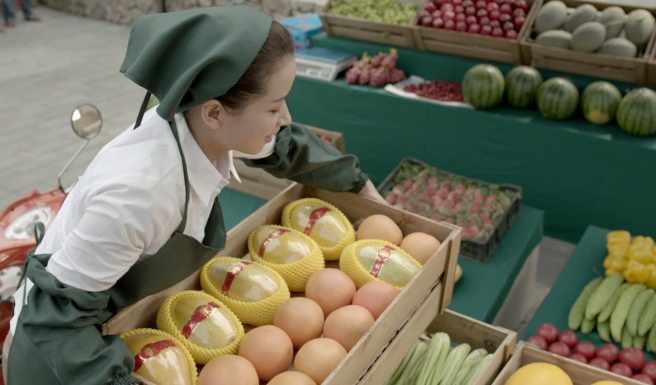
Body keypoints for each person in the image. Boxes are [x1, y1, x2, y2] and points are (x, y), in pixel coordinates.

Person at [3, 5, 384, 385]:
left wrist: (357, 183)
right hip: (56, 362)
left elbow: (281, 143)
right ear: (215, 113)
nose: (284, 117)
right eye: (273, 107)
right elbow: (56, 321)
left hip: (107, 323)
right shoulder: (139, 194)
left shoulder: (202, 119)